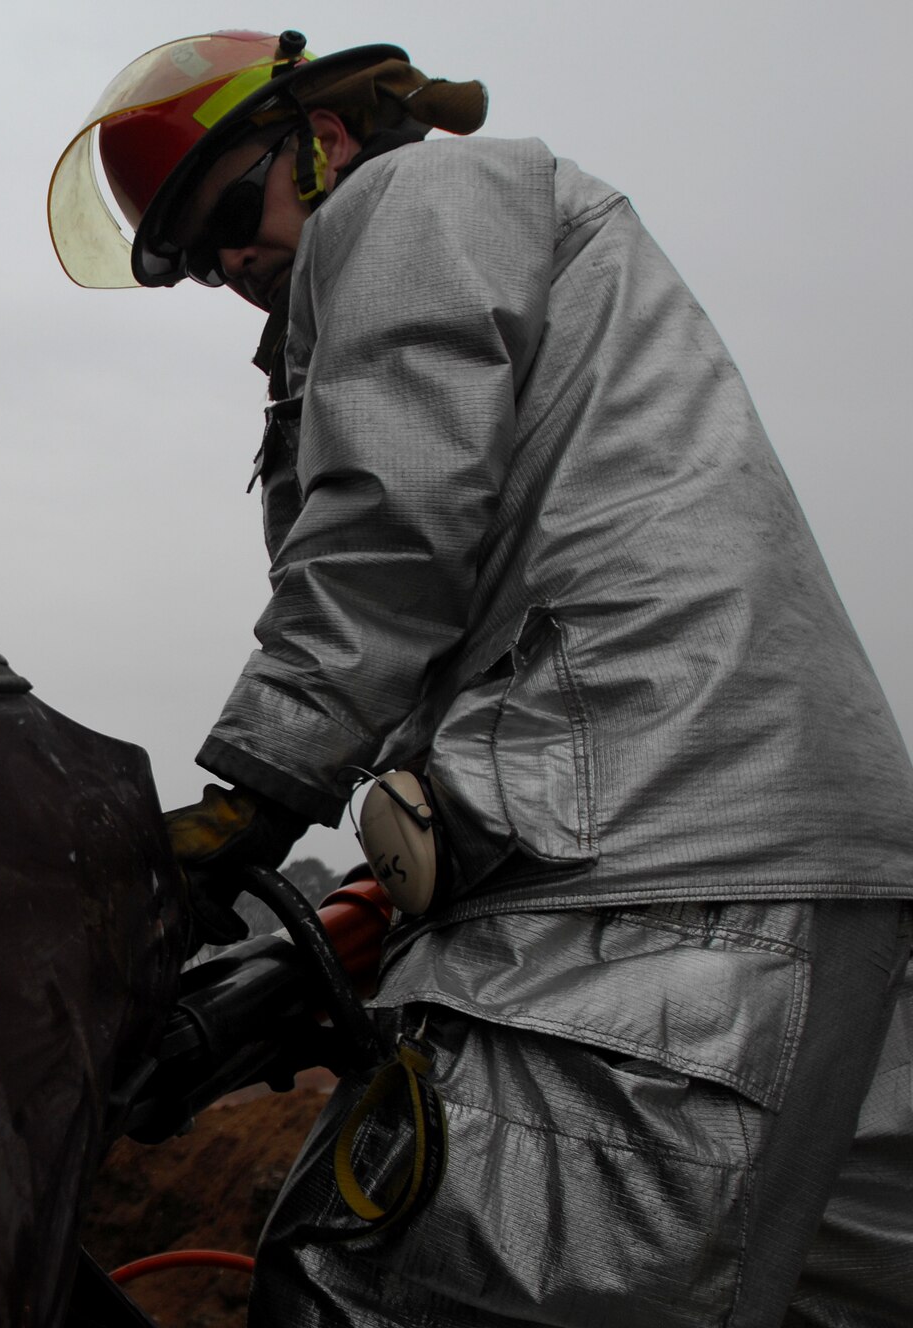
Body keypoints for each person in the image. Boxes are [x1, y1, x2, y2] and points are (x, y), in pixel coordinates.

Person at [48, 30, 913, 1327]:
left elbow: (391, 522)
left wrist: (249, 798)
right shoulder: (525, 275)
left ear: (322, 143)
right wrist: (355, 913)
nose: (230, 262)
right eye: (196, 259)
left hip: (651, 897)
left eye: (231, 208)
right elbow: (478, 646)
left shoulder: (413, 199)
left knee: (385, 1298)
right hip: (776, 879)